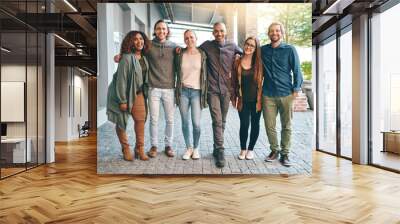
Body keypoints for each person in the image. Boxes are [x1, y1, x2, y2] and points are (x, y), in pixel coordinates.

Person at [114, 20, 178, 158]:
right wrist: (120, 56)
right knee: (153, 120)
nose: (161, 31)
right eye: (158, 29)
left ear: (167, 31)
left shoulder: (174, 47)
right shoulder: (149, 46)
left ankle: (168, 146)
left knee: (169, 120)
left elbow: (185, 54)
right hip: (153, 88)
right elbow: (132, 50)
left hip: (169, 89)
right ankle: (153, 146)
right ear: (155, 30)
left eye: (164, 29)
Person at [199, 22, 242, 167]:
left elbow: (247, 55)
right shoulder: (207, 45)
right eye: (216, 31)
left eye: (221, 31)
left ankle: (216, 147)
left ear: (226, 31)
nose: (219, 33)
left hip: (226, 90)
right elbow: (193, 52)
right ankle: (220, 150)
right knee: (217, 120)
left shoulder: (233, 46)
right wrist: (180, 50)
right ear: (213, 32)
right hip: (212, 90)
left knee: (222, 121)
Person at [261, 22, 303, 167]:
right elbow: (249, 55)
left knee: (287, 125)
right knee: (269, 125)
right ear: (268, 33)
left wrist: (296, 89)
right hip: (267, 94)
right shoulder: (262, 50)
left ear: (282, 33)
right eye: (272, 31)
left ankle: (285, 154)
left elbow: (297, 69)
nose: (275, 33)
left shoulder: (290, 49)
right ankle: (274, 150)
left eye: (277, 31)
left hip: (286, 93)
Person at [107, 31, 150, 161]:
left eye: (141, 39)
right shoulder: (126, 58)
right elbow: (121, 80)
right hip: (124, 95)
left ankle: (139, 148)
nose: (139, 42)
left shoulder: (145, 57)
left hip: (139, 94)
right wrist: (122, 100)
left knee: (140, 120)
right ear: (130, 42)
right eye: (135, 39)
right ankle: (125, 148)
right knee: (121, 121)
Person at [175, 30, 208, 160]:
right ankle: (188, 148)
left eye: (191, 37)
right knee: (184, 122)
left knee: (196, 124)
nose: (189, 40)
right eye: (186, 38)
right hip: (183, 92)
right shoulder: (180, 54)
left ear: (196, 38)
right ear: (184, 40)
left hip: (197, 92)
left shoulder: (202, 54)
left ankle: (196, 148)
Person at [231, 36, 263, 160]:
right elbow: (233, 81)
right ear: (244, 45)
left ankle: (251, 149)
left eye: (252, 45)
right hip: (243, 100)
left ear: (256, 48)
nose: (249, 47)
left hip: (257, 100)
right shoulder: (237, 62)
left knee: (255, 124)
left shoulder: (260, 63)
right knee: (244, 124)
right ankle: (243, 149)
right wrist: (233, 97)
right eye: (247, 44)